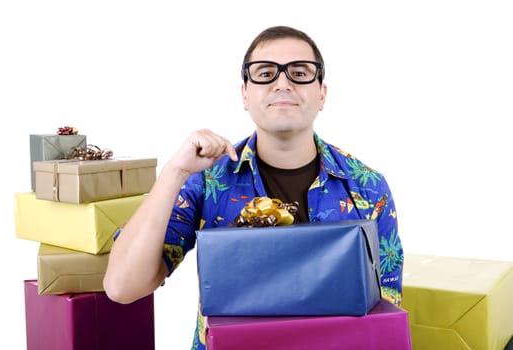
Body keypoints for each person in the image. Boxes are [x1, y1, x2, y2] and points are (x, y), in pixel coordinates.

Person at [104, 25, 404, 349]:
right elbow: (122, 286)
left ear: (322, 94)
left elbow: (384, 312)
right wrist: (174, 172)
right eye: (265, 73)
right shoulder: (208, 180)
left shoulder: (367, 187)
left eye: (300, 72)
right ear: (245, 94)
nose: (283, 83)